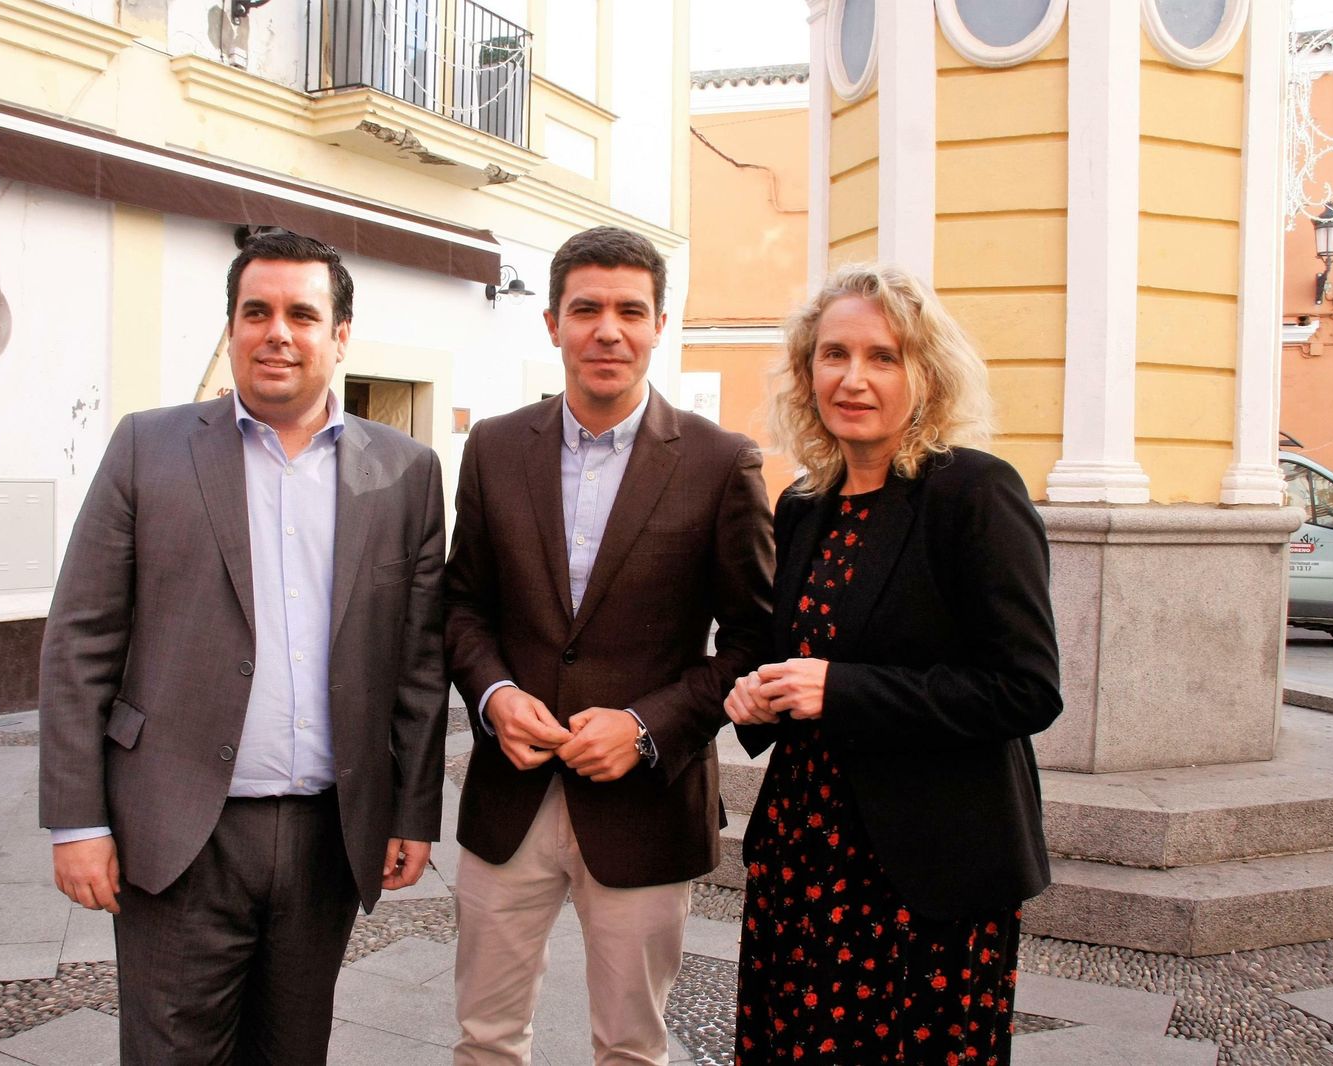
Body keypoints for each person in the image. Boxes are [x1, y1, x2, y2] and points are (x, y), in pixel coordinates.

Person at [38, 231, 447, 1065]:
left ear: (340, 336)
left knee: (294, 1053)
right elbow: (81, 639)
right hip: (180, 831)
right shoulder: (147, 448)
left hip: (327, 837)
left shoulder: (405, 473)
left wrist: (411, 810)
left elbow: (418, 662)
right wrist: (76, 819)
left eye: (303, 313)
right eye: (255, 312)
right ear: (231, 328)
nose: (278, 333)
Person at [445, 225, 775, 1065]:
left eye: (631, 310)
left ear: (660, 323)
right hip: (509, 797)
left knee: (630, 1048)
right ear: (552, 322)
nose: (609, 329)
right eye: (586, 308)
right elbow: (460, 607)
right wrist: (493, 695)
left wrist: (646, 725)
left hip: (646, 804)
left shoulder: (720, 462)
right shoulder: (491, 448)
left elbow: (751, 642)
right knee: (484, 1038)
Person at [724, 263, 1062, 1066]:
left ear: (927, 373)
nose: (854, 378)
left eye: (883, 357)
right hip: (803, 864)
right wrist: (757, 695)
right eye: (833, 354)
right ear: (807, 372)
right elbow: (797, 663)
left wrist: (842, 690)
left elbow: (1027, 688)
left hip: (927, 874)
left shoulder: (974, 493)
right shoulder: (805, 503)